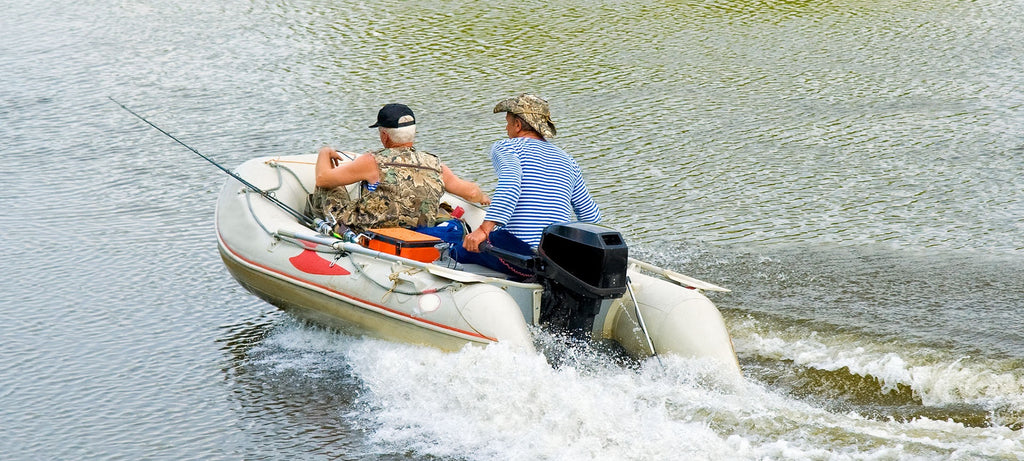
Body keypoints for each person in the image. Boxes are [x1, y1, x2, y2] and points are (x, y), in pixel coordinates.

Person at [457, 93, 602, 275]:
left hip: (523, 256)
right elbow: (590, 216)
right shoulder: (567, 160)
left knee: (455, 245)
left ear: (518, 125)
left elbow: (511, 186)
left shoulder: (507, 147)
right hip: (557, 257)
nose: (506, 127)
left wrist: (483, 230)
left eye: (508, 122)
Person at [311, 103, 489, 235]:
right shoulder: (436, 165)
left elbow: (323, 178)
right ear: (414, 133)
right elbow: (472, 192)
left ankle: (311, 223)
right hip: (417, 232)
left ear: (384, 136)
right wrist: (483, 198)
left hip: (370, 232)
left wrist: (324, 152)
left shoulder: (371, 161)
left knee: (329, 187)